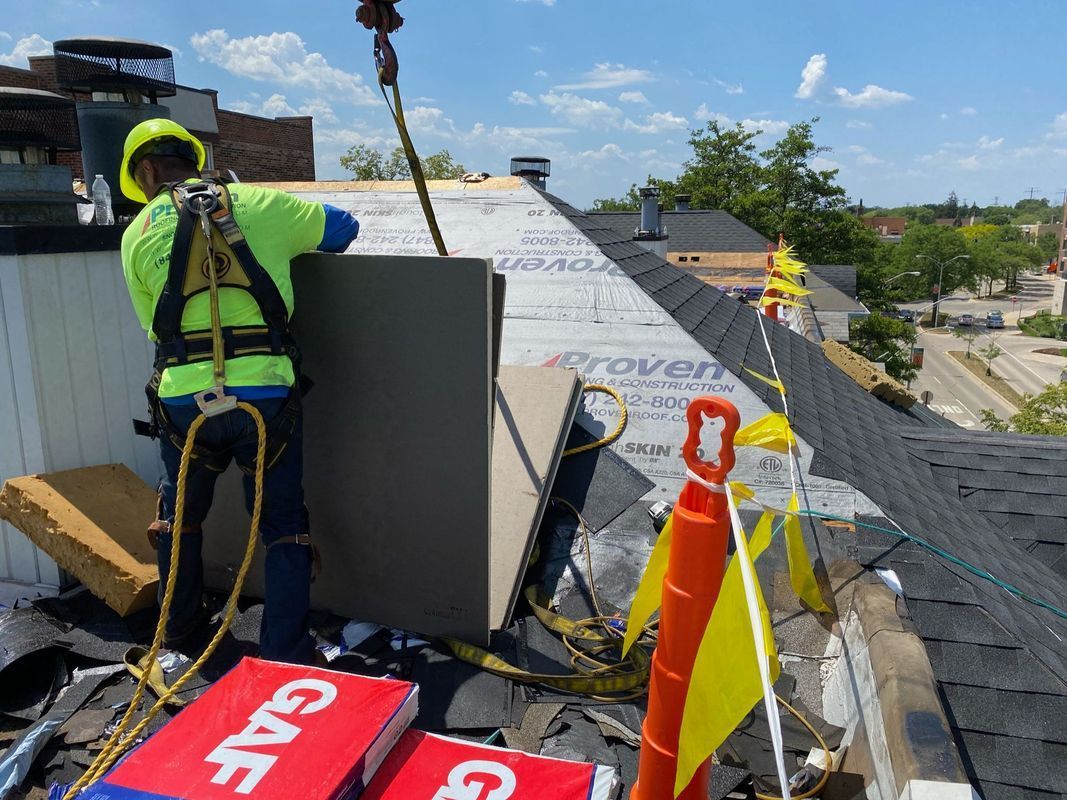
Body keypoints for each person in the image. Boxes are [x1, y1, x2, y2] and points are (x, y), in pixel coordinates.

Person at [119, 118, 359, 664]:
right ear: (194, 160)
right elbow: (345, 228)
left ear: (148, 172)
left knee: (180, 520)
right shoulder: (259, 201)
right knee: (281, 526)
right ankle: (285, 651)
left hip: (183, 403)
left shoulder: (135, 236)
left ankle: (178, 635)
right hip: (265, 397)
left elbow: (156, 329)